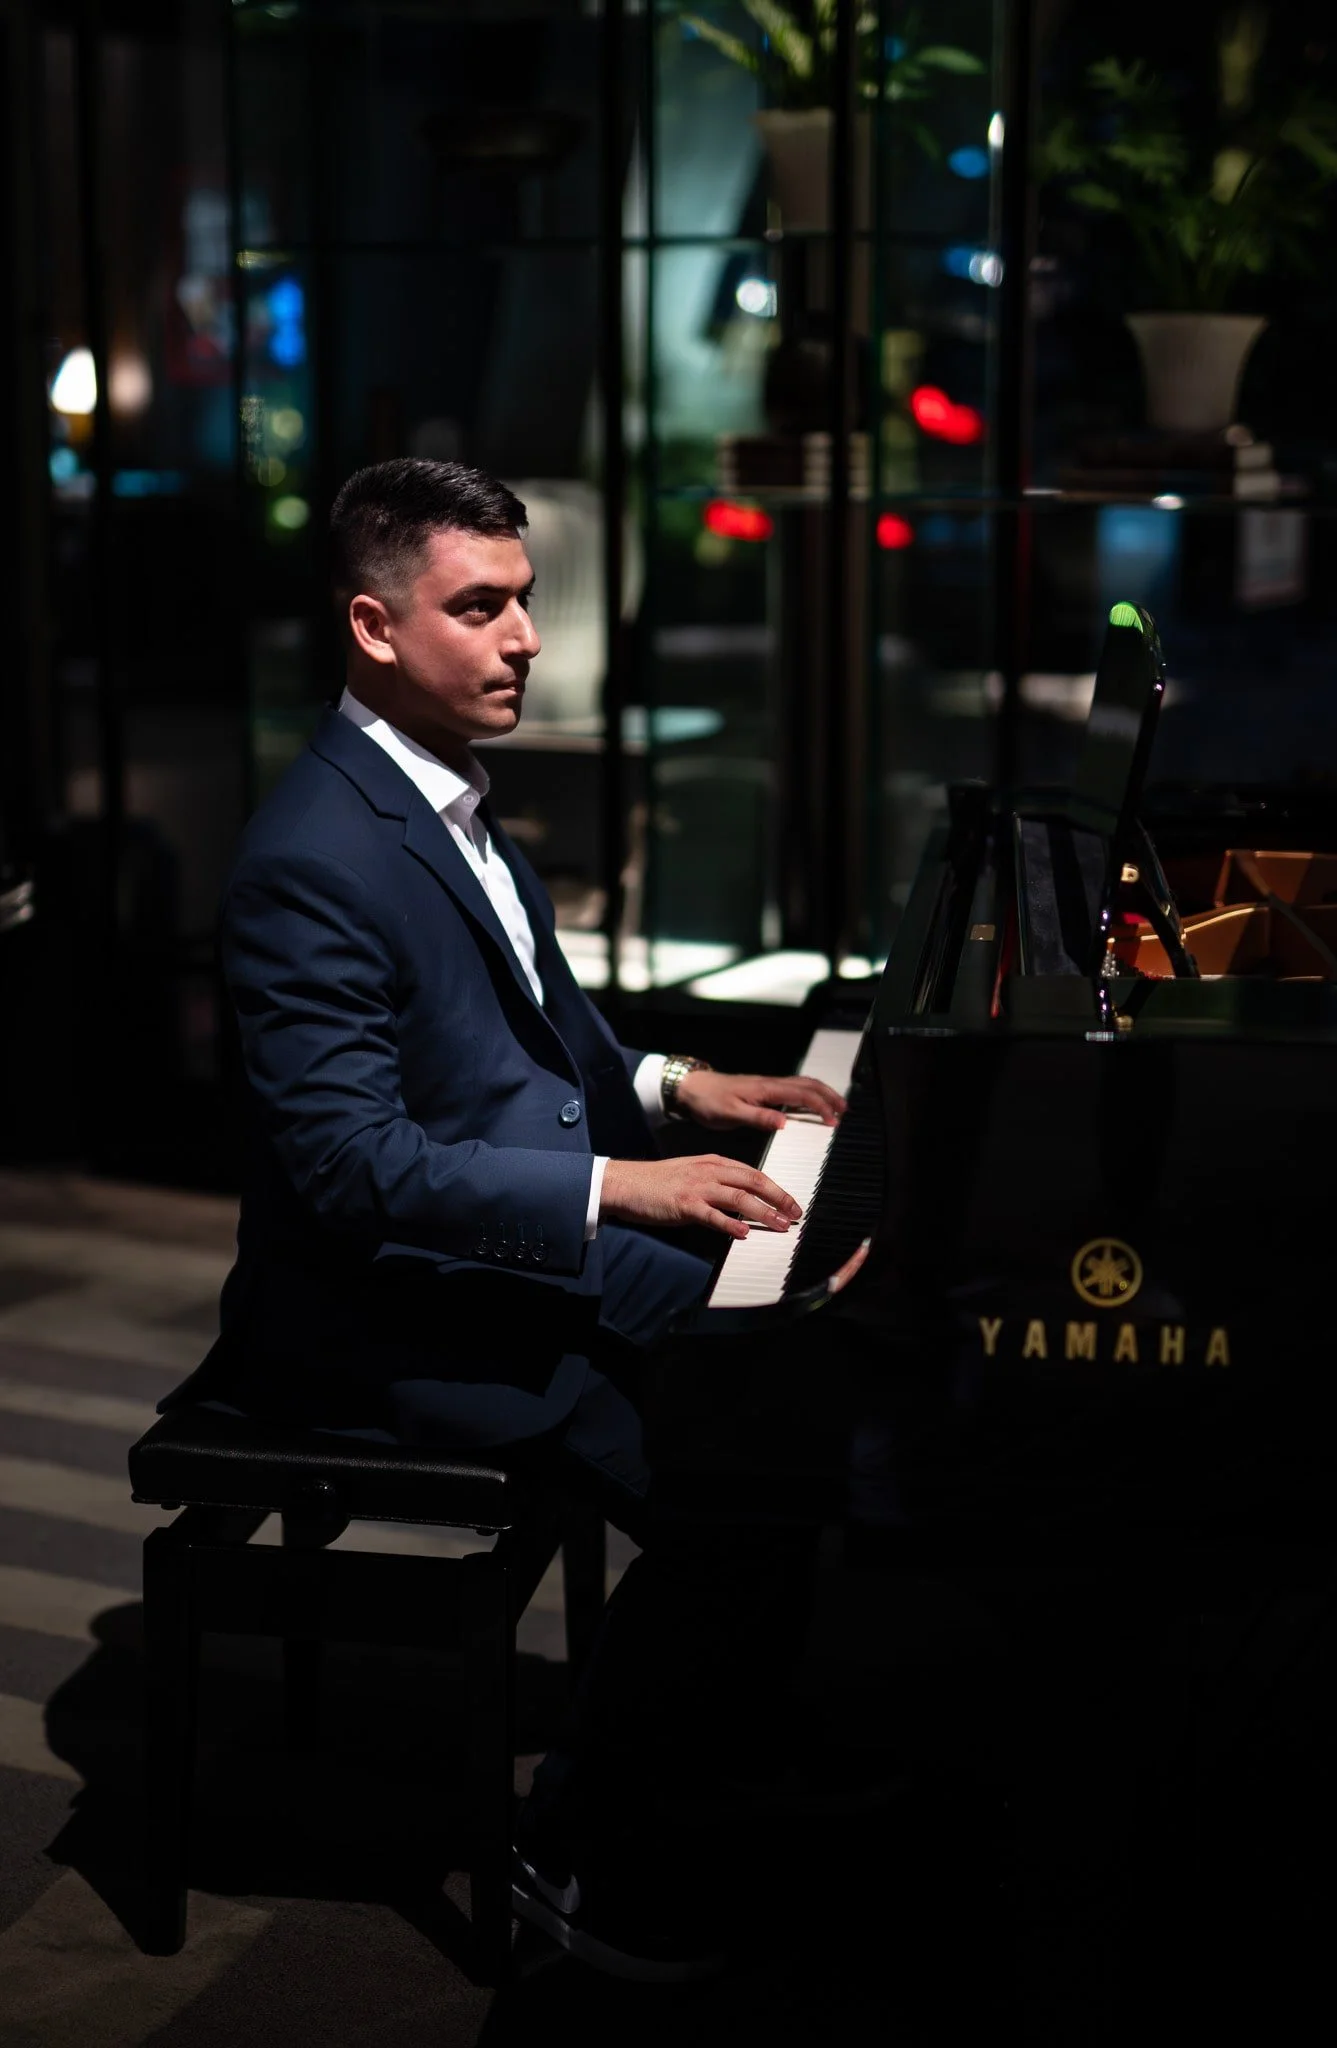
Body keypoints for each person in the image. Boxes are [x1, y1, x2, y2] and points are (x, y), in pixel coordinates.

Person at [172, 458, 845, 1980]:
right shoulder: (310, 861)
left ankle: (729, 1742)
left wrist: (682, 1087)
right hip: (374, 1312)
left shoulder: (446, 798)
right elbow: (350, 1170)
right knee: (732, 1478)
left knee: (784, 1375)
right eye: (481, 607)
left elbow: (543, 1042)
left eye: (524, 599)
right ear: (374, 626)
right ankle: (574, 1845)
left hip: (499, 1245)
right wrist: (622, 1185)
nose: (526, 637)